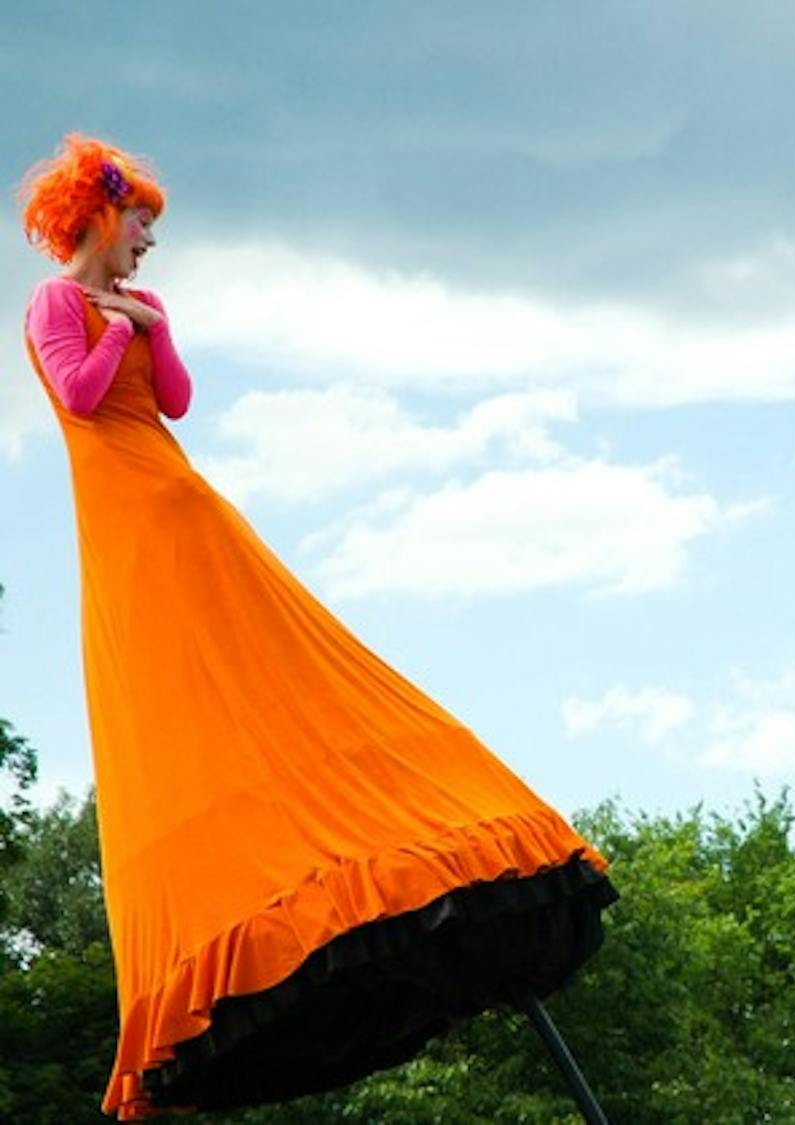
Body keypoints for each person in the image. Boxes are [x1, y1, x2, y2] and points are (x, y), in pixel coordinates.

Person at [18, 134, 617, 1120]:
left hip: (182, 501)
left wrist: (150, 328)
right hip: (123, 518)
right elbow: (81, 398)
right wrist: (118, 328)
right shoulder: (57, 305)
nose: (149, 250)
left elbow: (176, 400)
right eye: (141, 229)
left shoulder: (144, 306)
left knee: (269, 651)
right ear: (98, 218)